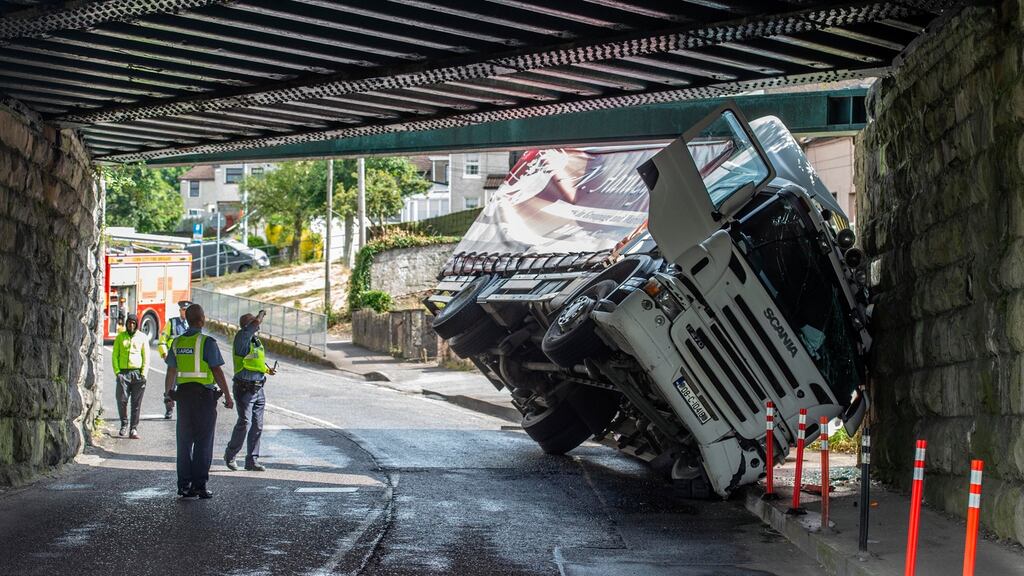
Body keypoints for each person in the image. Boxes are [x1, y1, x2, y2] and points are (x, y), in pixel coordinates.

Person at [163, 304, 233, 499]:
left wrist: (167, 395)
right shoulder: (206, 342)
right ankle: (199, 486)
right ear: (202, 320)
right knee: (203, 442)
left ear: (186, 319)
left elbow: (171, 371)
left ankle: (184, 486)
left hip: (184, 396)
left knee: (184, 442)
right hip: (204, 398)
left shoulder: (176, 343)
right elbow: (217, 371)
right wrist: (227, 395)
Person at [225, 311, 276, 472]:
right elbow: (254, 325)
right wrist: (260, 315)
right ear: (247, 326)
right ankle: (230, 455)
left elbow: (256, 359)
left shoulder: (255, 340)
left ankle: (252, 460)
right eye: (254, 323)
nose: (257, 325)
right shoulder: (242, 337)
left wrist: (268, 370)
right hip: (244, 388)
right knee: (245, 422)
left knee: (258, 424)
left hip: (258, 387)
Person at [111, 313, 149, 439]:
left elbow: (146, 357)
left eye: (133, 323)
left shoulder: (142, 337)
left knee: (136, 403)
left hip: (138, 374)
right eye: (129, 323)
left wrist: (143, 374)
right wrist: (118, 372)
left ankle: (133, 429)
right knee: (121, 400)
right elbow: (115, 355)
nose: (131, 325)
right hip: (124, 374)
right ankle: (124, 423)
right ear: (126, 324)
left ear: (137, 324)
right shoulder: (120, 337)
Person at [158, 300, 192, 419]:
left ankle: (185, 410)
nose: (185, 312)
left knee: (186, 387)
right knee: (170, 386)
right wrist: (164, 354)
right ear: (180, 311)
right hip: (174, 360)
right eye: (183, 310)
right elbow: (162, 340)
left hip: (188, 362)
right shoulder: (172, 323)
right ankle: (169, 409)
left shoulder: (192, 324)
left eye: (187, 310)